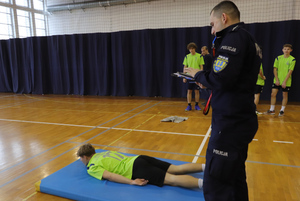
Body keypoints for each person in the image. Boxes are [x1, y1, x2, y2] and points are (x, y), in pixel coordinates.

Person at [184, 1, 261, 201]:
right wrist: (208, 82)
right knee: (235, 178)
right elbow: (230, 79)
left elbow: (222, 78)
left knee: (216, 182)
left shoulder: (233, 38)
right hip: (239, 118)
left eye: (212, 24)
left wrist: (200, 75)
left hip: (230, 123)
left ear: (224, 18)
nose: (212, 30)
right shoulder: (247, 38)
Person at [77, 143, 205, 189]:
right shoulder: (104, 152)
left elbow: (110, 176)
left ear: (85, 157)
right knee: (177, 169)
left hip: (136, 168)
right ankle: (209, 167)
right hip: (139, 158)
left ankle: (207, 184)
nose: (81, 161)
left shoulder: (92, 166)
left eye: (80, 158)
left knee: (172, 180)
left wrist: (132, 182)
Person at [264, 44, 296, 117]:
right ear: (282, 50)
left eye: (288, 49)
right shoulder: (278, 58)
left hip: (286, 81)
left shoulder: (292, 59)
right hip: (277, 80)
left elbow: (290, 71)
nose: (286, 50)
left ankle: (282, 110)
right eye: (285, 49)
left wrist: (284, 81)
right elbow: (275, 69)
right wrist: (277, 80)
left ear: (291, 50)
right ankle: (272, 110)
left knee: (284, 95)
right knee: (273, 94)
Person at [183, 42, 204, 111]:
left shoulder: (200, 56)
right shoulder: (187, 56)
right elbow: (185, 67)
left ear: (194, 48)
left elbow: (201, 67)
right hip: (189, 76)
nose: (191, 50)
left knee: (197, 91)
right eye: (190, 49)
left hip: (197, 76)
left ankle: (196, 105)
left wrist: (201, 76)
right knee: (189, 91)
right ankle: (189, 105)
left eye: (192, 49)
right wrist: (184, 76)